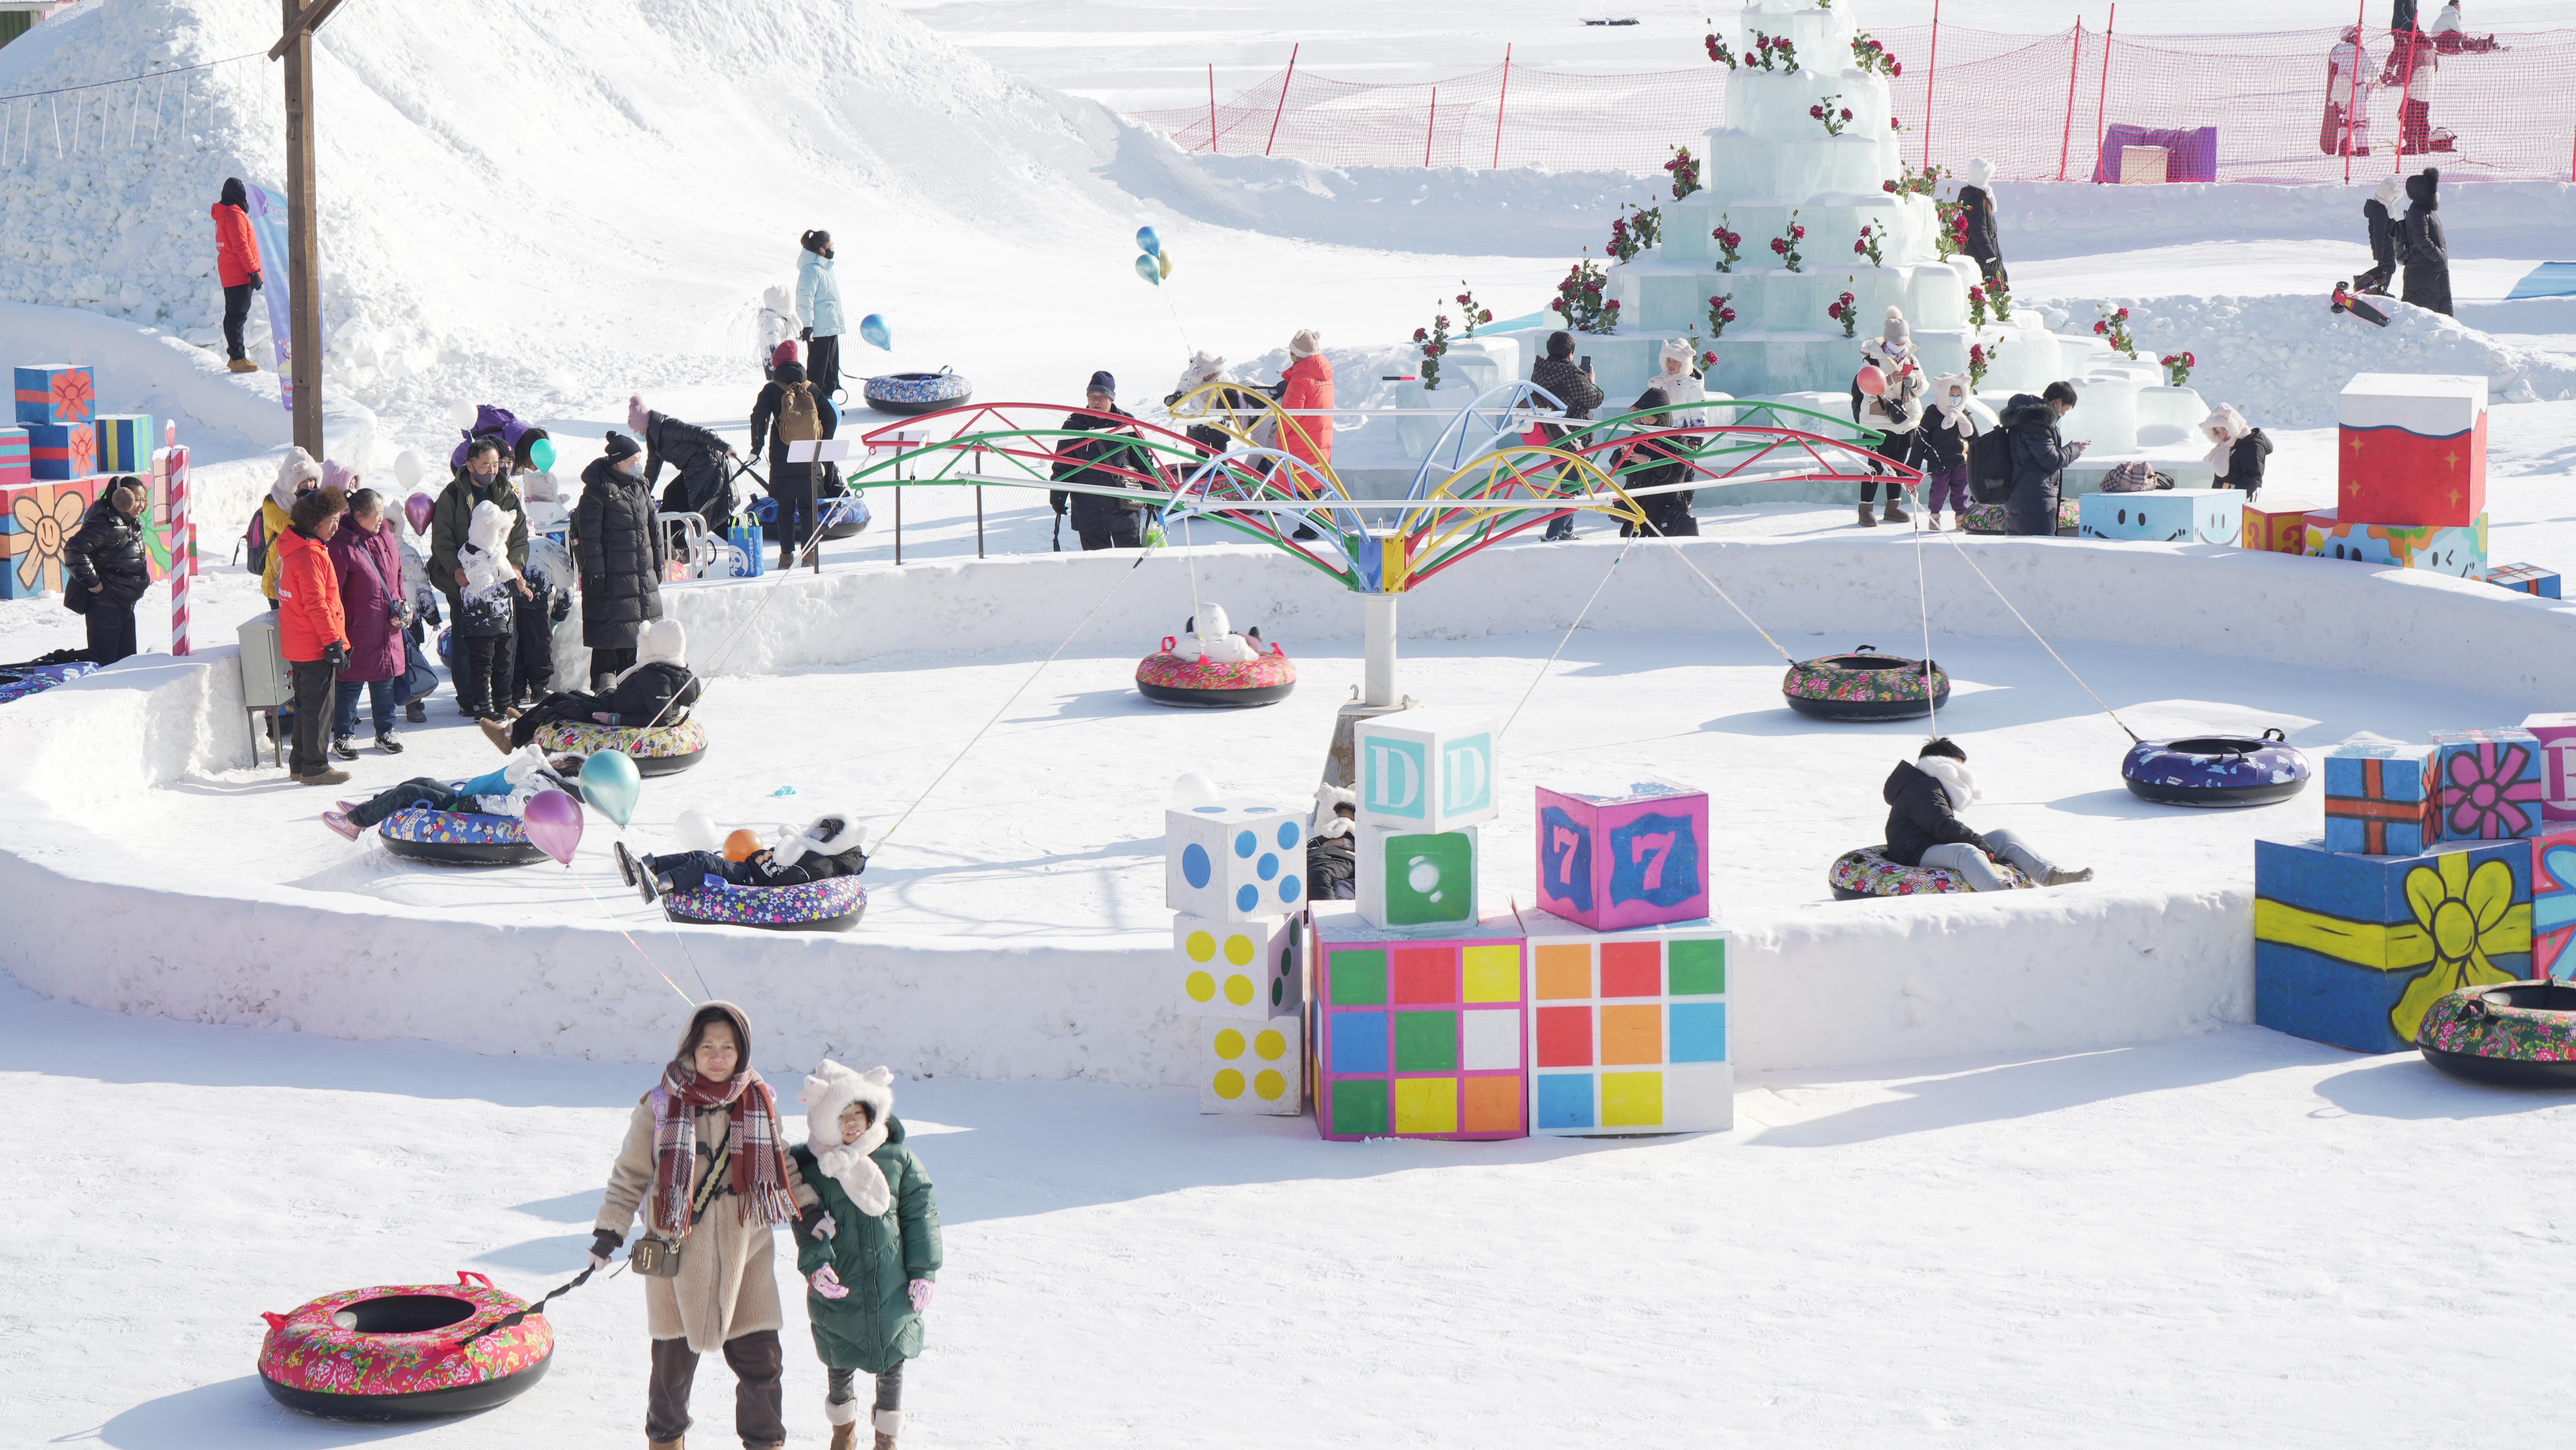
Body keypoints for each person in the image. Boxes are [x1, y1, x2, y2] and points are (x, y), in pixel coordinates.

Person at [590, 1004, 798, 1450]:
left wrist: (814, 1213)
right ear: (691, 1048)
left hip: (748, 1255)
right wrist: (610, 1230)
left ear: (741, 1051)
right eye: (708, 1046)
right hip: (677, 1257)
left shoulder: (761, 1100)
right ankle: (666, 1443)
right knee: (670, 1374)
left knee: (763, 1367)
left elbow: (784, 1167)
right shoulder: (661, 1103)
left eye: (728, 1047)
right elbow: (630, 1175)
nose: (718, 1056)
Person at [787, 1060, 942, 1450]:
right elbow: (807, 1221)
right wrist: (817, 1264)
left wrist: (924, 1270)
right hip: (842, 1283)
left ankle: (887, 1438)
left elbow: (921, 1211)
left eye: (858, 1114)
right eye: (842, 1117)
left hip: (892, 1282)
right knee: (839, 1358)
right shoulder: (814, 1168)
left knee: (893, 1359)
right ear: (825, 1121)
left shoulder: (897, 1158)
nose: (852, 1124)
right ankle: (843, 1431)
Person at [1882, 738, 2091, 891]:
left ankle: (2051, 876)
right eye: (1958, 766)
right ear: (1944, 765)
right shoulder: (1922, 787)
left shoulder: (1931, 785)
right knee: (1967, 852)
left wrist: (1980, 842)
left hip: (1929, 844)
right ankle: (1998, 892)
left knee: (2003, 837)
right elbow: (1941, 824)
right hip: (1912, 852)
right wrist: (1978, 843)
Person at [488, 616, 698, 753]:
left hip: (610, 712)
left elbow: (659, 719)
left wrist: (616, 719)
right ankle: (526, 724)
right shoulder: (669, 669)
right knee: (560, 696)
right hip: (611, 703)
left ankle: (510, 738)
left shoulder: (659, 678)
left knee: (559, 708)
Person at [428, 438, 530, 690]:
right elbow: (442, 540)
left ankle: (503, 696)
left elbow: (519, 535)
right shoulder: (452, 495)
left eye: (496, 464)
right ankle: (470, 698)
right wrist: (456, 571)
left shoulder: (507, 493)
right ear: (470, 466)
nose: (493, 471)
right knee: (467, 642)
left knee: (505, 639)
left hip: (499, 579)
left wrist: (515, 567)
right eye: (486, 465)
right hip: (465, 580)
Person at [321, 746, 577, 839]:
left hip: (466, 809)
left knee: (408, 793)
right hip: (464, 800)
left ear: (564, 774)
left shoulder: (543, 790)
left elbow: (511, 806)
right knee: (423, 781)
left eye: (562, 762)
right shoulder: (542, 779)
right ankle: (369, 807)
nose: (555, 759)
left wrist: (470, 804)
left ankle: (354, 823)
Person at [574, 431, 666, 689]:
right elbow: (590, 538)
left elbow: (654, 530)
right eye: (634, 459)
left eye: (640, 458)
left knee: (636, 638)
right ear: (618, 462)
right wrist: (597, 574)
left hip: (640, 577)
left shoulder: (640, 487)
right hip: (611, 580)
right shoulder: (597, 493)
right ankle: (604, 692)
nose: (639, 463)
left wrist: (658, 566)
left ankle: (631, 691)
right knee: (610, 639)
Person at [325, 488, 411, 757]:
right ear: (359, 515)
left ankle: (385, 732)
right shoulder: (342, 545)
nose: (381, 520)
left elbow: (397, 573)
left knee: (385, 680)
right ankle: (343, 736)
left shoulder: (385, 534)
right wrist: (337, 631)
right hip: (358, 626)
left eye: (383, 514)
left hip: (388, 624)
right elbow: (334, 591)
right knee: (350, 682)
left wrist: (402, 603)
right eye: (376, 515)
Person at [618, 811, 869, 902]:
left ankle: (658, 886)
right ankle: (643, 867)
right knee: (700, 855)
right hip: (747, 869)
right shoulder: (808, 848)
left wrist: (757, 886)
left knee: (706, 863)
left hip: (750, 883)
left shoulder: (821, 864)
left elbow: (787, 882)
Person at [275, 486, 352, 786]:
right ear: (314, 521)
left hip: (301, 642)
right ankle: (315, 767)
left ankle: (299, 764)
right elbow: (317, 605)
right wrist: (333, 642)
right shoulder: (308, 554)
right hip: (314, 643)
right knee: (319, 709)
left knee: (308, 705)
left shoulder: (301, 549)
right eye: (332, 519)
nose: (336, 526)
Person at [1049, 372, 1157, 551]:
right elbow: (1063, 465)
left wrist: (1153, 491)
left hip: (1124, 509)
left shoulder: (1126, 424)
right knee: (1096, 567)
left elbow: (1143, 462)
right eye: (1093, 396)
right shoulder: (1074, 425)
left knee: (1130, 562)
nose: (1096, 401)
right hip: (1088, 511)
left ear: (1111, 399)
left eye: (1102, 397)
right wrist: (1058, 496)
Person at [749, 356, 837, 569]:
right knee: (809, 507)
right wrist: (823, 444)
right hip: (809, 456)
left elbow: (758, 418)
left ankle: (786, 557)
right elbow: (831, 417)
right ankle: (809, 555)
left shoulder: (771, 390)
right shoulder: (811, 388)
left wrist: (757, 447)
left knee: (785, 508)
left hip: (783, 456)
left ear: (778, 364)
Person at [62, 477, 150, 664]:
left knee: (128, 663)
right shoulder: (104, 523)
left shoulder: (128, 521)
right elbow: (74, 551)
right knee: (106, 663)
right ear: (120, 497)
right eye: (136, 499)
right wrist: (93, 583)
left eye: (143, 500)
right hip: (106, 605)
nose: (141, 505)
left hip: (125, 603)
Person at [1850, 309, 1923, 527]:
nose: (1901, 346)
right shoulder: (1872, 359)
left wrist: (1915, 383)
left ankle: (1893, 506)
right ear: (1887, 340)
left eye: (1903, 342)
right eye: (1896, 342)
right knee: (1875, 466)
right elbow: (1866, 388)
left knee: (1898, 465)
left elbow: (1923, 384)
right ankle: (1866, 508)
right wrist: (1890, 379)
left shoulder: (1911, 357)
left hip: (1904, 421)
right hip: (1879, 422)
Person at [1530, 332, 1604, 542]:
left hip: (1552, 435)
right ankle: (1554, 533)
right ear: (1571, 354)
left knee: (1570, 482)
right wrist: (1592, 381)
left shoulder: (1540, 373)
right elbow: (1595, 400)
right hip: (1574, 438)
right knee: (1575, 486)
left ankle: (1567, 531)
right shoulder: (1573, 377)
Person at [630, 396, 739, 538]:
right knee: (675, 496)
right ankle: (673, 544)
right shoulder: (654, 440)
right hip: (695, 470)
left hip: (708, 467)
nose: (636, 434)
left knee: (706, 510)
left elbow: (699, 433)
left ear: (643, 425)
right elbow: (652, 471)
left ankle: (743, 540)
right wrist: (642, 493)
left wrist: (725, 447)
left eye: (636, 429)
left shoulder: (669, 427)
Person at [1999, 381, 2087, 537]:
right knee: (2040, 554)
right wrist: (2075, 449)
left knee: (2017, 553)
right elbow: (2052, 461)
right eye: (2065, 409)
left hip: (2018, 496)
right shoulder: (2038, 425)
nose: (2064, 414)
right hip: (2036, 501)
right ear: (2058, 403)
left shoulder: (2023, 420)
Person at [1616, 387, 1698, 538]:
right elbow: (1617, 466)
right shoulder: (1639, 434)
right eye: (1644, 416)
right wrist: (1625, 455)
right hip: (1638, 503)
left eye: (1651, 418)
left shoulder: (1677, 439)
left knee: (1662, 553)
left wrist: (1647, 461)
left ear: (1662, 418)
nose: (1646, 421)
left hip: (1664, 508)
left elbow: (1676, 475)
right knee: (1630, 551)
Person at [1277, 330, 1335, 539]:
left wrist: (1282, 434)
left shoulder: (1301, 377)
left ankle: (1311, 529)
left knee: (1302, 482)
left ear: (1296, 355)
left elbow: (1292, 413)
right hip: (1320, 435)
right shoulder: (1324, 372)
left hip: (1303, 437)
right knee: (1314, 478)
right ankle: (1325, 516)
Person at [258, 447, 322, 606]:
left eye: (312, 479)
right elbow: (293, 529)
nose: (309, 485)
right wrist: (305, 505)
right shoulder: (272, 504)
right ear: (291, 481)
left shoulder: (314, 499)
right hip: (279, 582)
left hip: (306, 577)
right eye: (303, 481)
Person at [1912, 373, 1976, 531]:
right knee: (1939, 490)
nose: (1955, 399)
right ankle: (1935, 516)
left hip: (1960, 461)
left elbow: (1975, 438)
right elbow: (1921, 441)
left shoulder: (1963, 414)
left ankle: (1961, 517)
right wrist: (1912, 467)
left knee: (1961, 490)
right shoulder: (1933, 414)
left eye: (1958, 395)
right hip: (1938, 461)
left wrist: (1984, 459)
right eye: (1951, 395)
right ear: (1942, 394)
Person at [211, 178, 262, 374]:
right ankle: (238, 359)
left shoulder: (226, 215)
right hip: (240, 273)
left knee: (234, 315)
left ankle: (236, 356)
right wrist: (253, 271)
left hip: (232, 272)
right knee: (237, 316)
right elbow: (242, 247)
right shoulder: (234, 215)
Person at [797, 230, 848, 401]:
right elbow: (805, 300)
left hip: (831, 328)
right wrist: (807, 325)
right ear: (821, 249)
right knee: (817, 372)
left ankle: (829, 404)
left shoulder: (826, 269)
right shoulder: (811, 271)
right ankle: (813, 407)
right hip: (819, 332)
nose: (834, 247)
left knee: (832, 371)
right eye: (831, 244)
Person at [2397, 167, 2452, 316]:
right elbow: (2421, 240)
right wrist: (2438, 257)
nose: (2435, 194)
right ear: (2422, 191)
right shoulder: (2417, 212)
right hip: (2424, 272)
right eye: (2431, 190)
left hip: (2432, 272)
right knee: (2423, 314)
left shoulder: (2425, 211)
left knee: (2437, 312)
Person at [2382, 27, 2441, 155]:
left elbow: (2405, 72)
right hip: (2428, 90)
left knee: (2410, 118)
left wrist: (2395, 78)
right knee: (2423, 117)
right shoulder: (2431, 49)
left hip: (2414, 90)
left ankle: (2411, 147)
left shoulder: (2413, 49)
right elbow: (2436, 68)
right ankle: (2423, 146)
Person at [2323, 26, 2377, 158]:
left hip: (2341, 94)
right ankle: (2362, 150)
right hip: (2358, 94)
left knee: (2346, 123)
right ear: (2353, 37)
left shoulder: (2337, 51)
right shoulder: (2361, 53)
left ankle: (2345, 150)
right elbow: (2374, 73)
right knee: (2360, 123)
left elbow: (2333, 69)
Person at [1956, 158, 2007, 286]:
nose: (1989, 179)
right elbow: (1979, 231)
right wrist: (1990, 257)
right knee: (1989, 291)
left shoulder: (1979, 195)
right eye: (1987, 176)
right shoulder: (1977, 200)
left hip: (1984, 252)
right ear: (1980, 177)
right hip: (1982, 256)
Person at [1306, 786, 1359, 901]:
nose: (1343, 819)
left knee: (1321, 875)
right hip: (1315, 857)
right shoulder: (1325, 835)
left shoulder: (1360, 837)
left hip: (1343, 858)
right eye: (1340, 815)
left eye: (1351, 816)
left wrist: (1347, 843)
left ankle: (1321, 916)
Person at [2355, 174, 2404, 294]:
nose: (2393, 201)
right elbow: (2378, 234)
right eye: (2392, 197)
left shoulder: (2384, 208)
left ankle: (2379, 289)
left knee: (2387, 268)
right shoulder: (2380, 211)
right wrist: (2380, 253)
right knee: (2388, 268)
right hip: (2385, 247)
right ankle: (2366, 283)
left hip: (2387, 245)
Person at [756, 286, 802, 381]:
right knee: (778, 390)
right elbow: (775, 347)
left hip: (786, 365)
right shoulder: (771, 322)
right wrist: (784, 365)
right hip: (777, 368)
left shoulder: (781, 318)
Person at [2429, 1, 2498, 54]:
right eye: (2459, 6)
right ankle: (2476, 44)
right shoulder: (2452, 14)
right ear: (2456, 6)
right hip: (2439, 37)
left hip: (2438, 36)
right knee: (2459, 35)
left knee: (2459, 35)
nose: (2460, 8)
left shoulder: (2449, 13)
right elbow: (2458, 29)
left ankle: (2477, 43)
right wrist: (2464, 35)